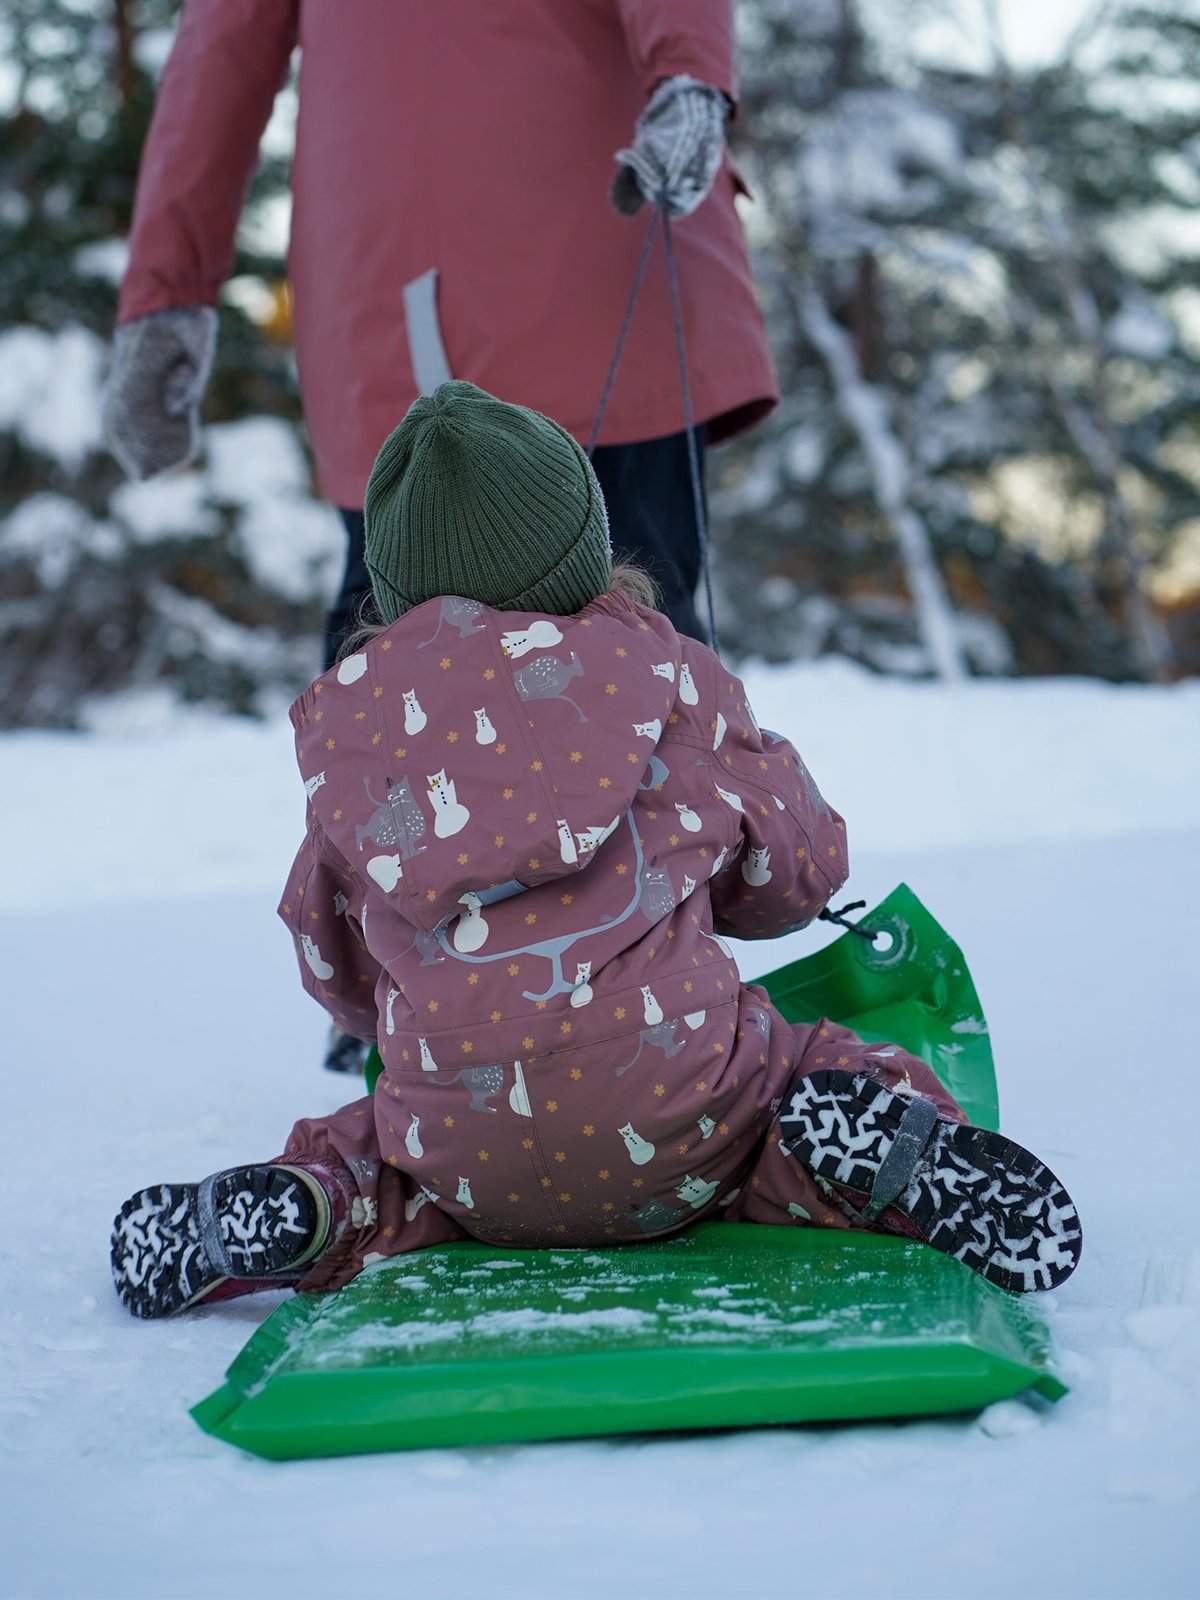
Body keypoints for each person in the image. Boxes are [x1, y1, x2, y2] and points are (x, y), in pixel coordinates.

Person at [110, 384, 1081, 1318]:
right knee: (800, 1085)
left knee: (386, 1162)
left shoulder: (360, 742)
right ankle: (877, 1155)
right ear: (583, 545)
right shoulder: (665, 678)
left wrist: (421, 1006)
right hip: (685, 1117)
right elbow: (796, 874)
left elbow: (333, 958)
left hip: (465, 1156)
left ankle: (316, 1203)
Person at [104, 2, 779, 657]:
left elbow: (218, 55)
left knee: (396, 663)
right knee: (629, 638)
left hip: (415, 287)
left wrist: (168, 288)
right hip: (590, 257)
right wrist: (690, 71)